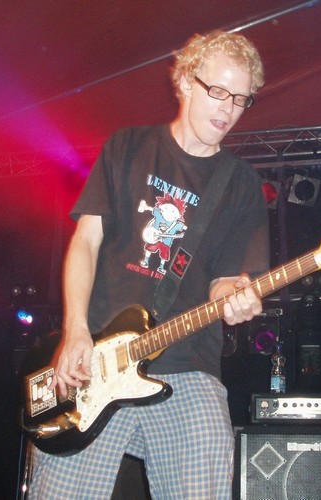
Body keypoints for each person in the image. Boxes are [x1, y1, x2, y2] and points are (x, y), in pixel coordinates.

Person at [27, 30, 268, 499]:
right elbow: (85, 242)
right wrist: (75, 331)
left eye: (241, 99)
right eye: (218, 91)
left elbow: (223, 283)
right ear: (186, 82)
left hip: (189, 365)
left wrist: (235, 297)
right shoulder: (128, 147)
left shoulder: (240, 185)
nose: (228, 109)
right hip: (93, 361)